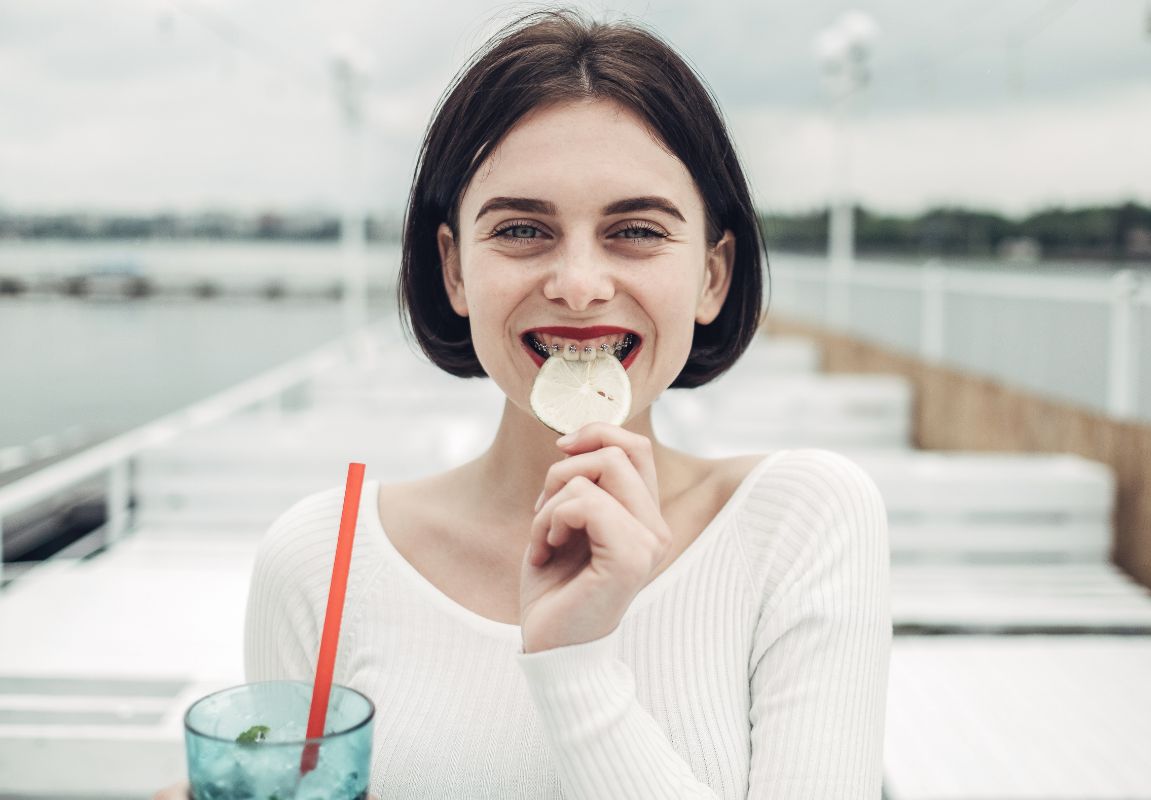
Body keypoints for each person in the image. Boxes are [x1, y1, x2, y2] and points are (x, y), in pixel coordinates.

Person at [158, 7, 890, 799]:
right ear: (455, 272)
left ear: (711, 276)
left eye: (637, 231)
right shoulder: (321, 562)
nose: (578, 284)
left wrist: (577, 668)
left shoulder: (805, 523)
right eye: (521, 231)